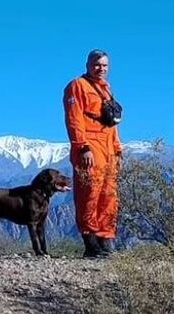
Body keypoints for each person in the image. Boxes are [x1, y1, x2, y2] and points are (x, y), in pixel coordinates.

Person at [63, 49, 122, 258]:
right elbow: (74, 119)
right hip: (90, 145)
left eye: (105, 65)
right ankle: (91, 243)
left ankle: (106, 239)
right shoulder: (77, 86)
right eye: (97, 64)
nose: (101, 69)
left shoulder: (106, 90)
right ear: (87, 65)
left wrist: (117, 148)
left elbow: (111, 123)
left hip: (107, 147)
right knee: (89, 193)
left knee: (109, 195)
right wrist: (82, 146)